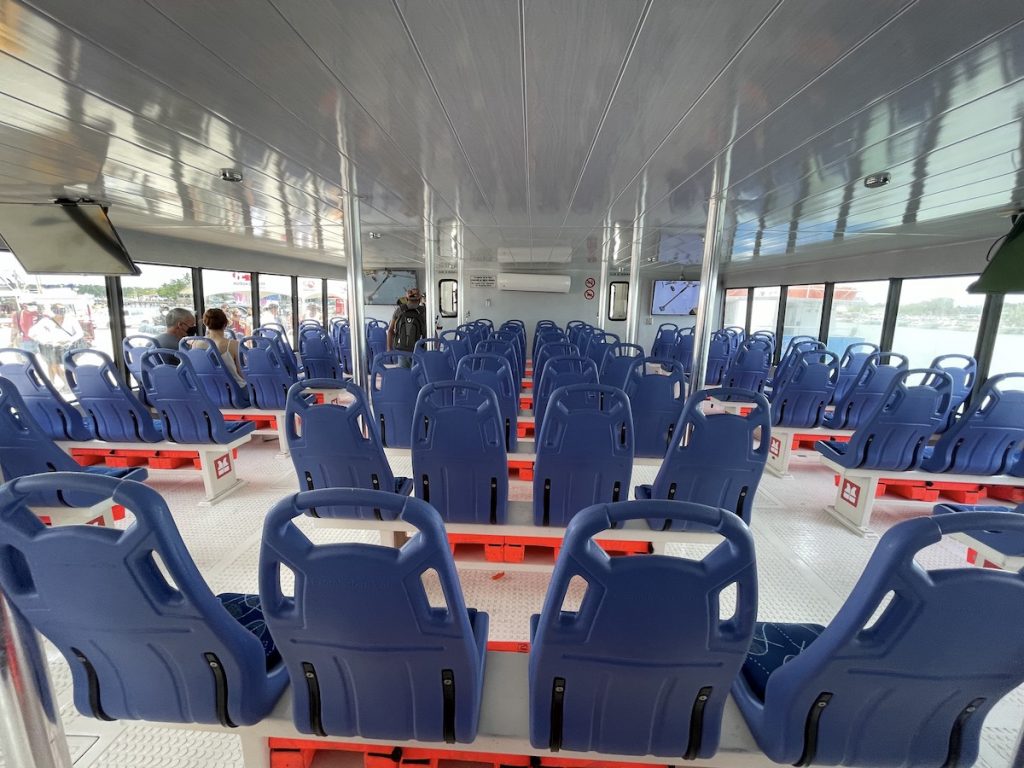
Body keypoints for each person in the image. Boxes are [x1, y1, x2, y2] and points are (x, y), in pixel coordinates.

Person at [201, 307, 250, 406]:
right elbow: (241, 373)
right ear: (226, 323)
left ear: (205, 323)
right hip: (236, 393)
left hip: (208, 393)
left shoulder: (195, 343)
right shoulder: (233, 344)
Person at [29, 304, 84, 388]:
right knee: (53, 365)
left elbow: (80, 333)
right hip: (51, 347)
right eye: (58, 310)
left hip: (67, 347)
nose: (61, 313)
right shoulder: (46, 321)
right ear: (53, 311)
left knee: (68, 366)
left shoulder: (71, 320)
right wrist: (44, 340)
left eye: (63, 310)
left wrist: (70, 340)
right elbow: (32, 333)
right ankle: (57, 384)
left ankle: (70, 384)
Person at [387, 287, 426, 365]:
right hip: (419, 350)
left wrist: (389, 348)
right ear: (419, 299)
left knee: (404, 375)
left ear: (407, 299)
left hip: (402, 350)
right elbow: (432, 332)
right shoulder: (424, 311)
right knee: (418, 375)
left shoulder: (399, 310)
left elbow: (390, 330)